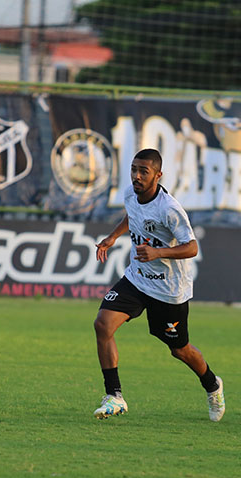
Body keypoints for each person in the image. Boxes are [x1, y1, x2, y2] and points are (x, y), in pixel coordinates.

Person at [92, 148, 225, 421]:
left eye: (144, 172)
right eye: (134, 170)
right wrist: (113, 237)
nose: (137, 176)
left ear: (158, 175)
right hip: (137, 278)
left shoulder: (170, 209)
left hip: (168, 290)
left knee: (180, 350)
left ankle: (212, 385)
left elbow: (192, 247)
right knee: (102, 324)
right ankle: (114, 396)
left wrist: (158, 252)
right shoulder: (131, 193)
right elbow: (132, 215)